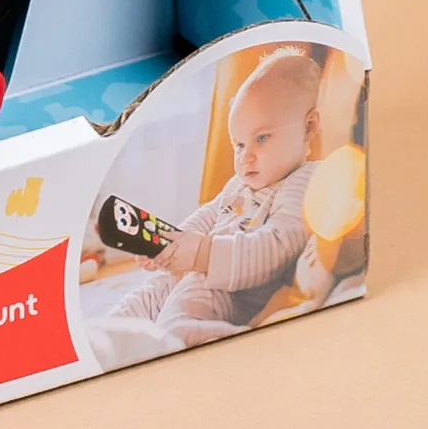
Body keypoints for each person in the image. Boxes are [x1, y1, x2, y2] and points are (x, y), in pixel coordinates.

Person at [112, 47, 321, 344]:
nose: (246, 156)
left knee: (177, 325)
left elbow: (277, 247)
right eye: (239, 144)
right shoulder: (239, 184)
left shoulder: (306, 179)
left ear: (309, 127)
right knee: (132, 308)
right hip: (196, 273)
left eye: (262, 138)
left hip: (232, 290)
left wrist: (201, 254)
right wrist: (171, 243)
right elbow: (207, 216)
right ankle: (113, 340)